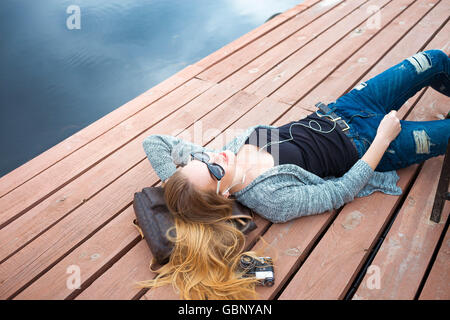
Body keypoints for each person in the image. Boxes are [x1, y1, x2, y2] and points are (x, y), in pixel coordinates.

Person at [138, 49, 450, 299]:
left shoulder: (225, 155)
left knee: (433, 60)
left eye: (201, 157)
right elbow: (339, 191)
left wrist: (176, 184)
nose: (213, 155)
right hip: (373, 144)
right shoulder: (271, 199)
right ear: (224, 194)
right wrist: (383, 139)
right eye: (212, 168)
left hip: (346, 107)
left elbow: (155, 142)